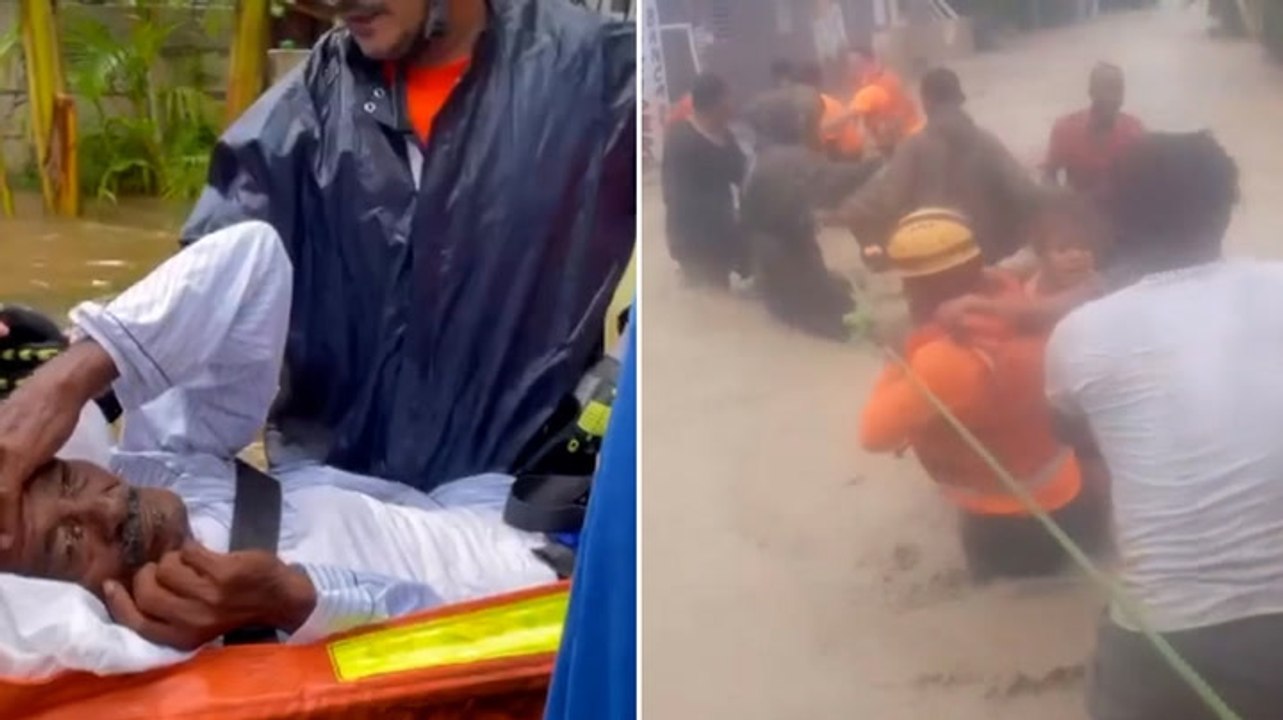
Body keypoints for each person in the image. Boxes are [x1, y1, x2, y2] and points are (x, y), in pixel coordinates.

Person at [136, 0, 634, 516]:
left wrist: (618, 381)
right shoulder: (302, 115)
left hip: (518, 514)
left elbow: (701, 242)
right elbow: (202, 291)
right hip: (333, 510)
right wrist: (90, 375)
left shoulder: (600, 72)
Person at [0, 223, 559, 654]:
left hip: (509, 506)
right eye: (69, 543)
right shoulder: (173, 645)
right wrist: (294, 602)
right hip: (551, 599)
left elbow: (254, 259)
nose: (106, 506)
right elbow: (452, 650)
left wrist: (73, 379)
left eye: (71, 478)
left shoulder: (160, 466)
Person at [1046, 132, 1283, 719]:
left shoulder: (1080, 334)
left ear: (1114, 218)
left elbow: (1070, 436)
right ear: (1228, 210)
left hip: (1168, 643)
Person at [859, 208, 1106, 580]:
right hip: (1063, 482)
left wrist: (898, 360)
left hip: (1009, 518)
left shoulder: (941, 363)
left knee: (1005, 577)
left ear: (912, 287)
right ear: (979, 264)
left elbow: (873, 436)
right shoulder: (1015, 295)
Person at [839, 68, 1040, 269]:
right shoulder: (986, 140)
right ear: (960, 100)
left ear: (926, 103)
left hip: (937, 255)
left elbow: (889, 199)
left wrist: (842, 214)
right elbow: (1024, 190)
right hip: (991, 251)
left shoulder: (914, 147)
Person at [740, 87, 879, 341]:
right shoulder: (787, 160)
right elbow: (834, 184)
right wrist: (878, 162)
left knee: (836, 295)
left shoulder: (761, 155)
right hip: (788, 264)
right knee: (854, 326)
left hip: (771, 261)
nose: (813, 128)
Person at [661, 73, 748, 289]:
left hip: (723, 235)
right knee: (710, 296)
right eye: (729, 98)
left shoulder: (725, 135)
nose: (733, 104)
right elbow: (675, 196)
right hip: (694, 241)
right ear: (716, 103)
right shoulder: (680, 139)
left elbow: (743, 175)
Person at [1044, 63, 1145, 202]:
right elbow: (1049, 178)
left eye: (1118, 90)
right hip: (1079, 211)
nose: (1112, 97)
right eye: (1106, 89)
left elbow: (1145, 183)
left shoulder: (1134, 130)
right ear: (1091, 91)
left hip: (1120, 212)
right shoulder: (1065, 129)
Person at [796, 63, 865, 162]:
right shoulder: (817, 102)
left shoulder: (824, 105)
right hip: (841, 151)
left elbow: (832, 146)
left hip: (847, 154)